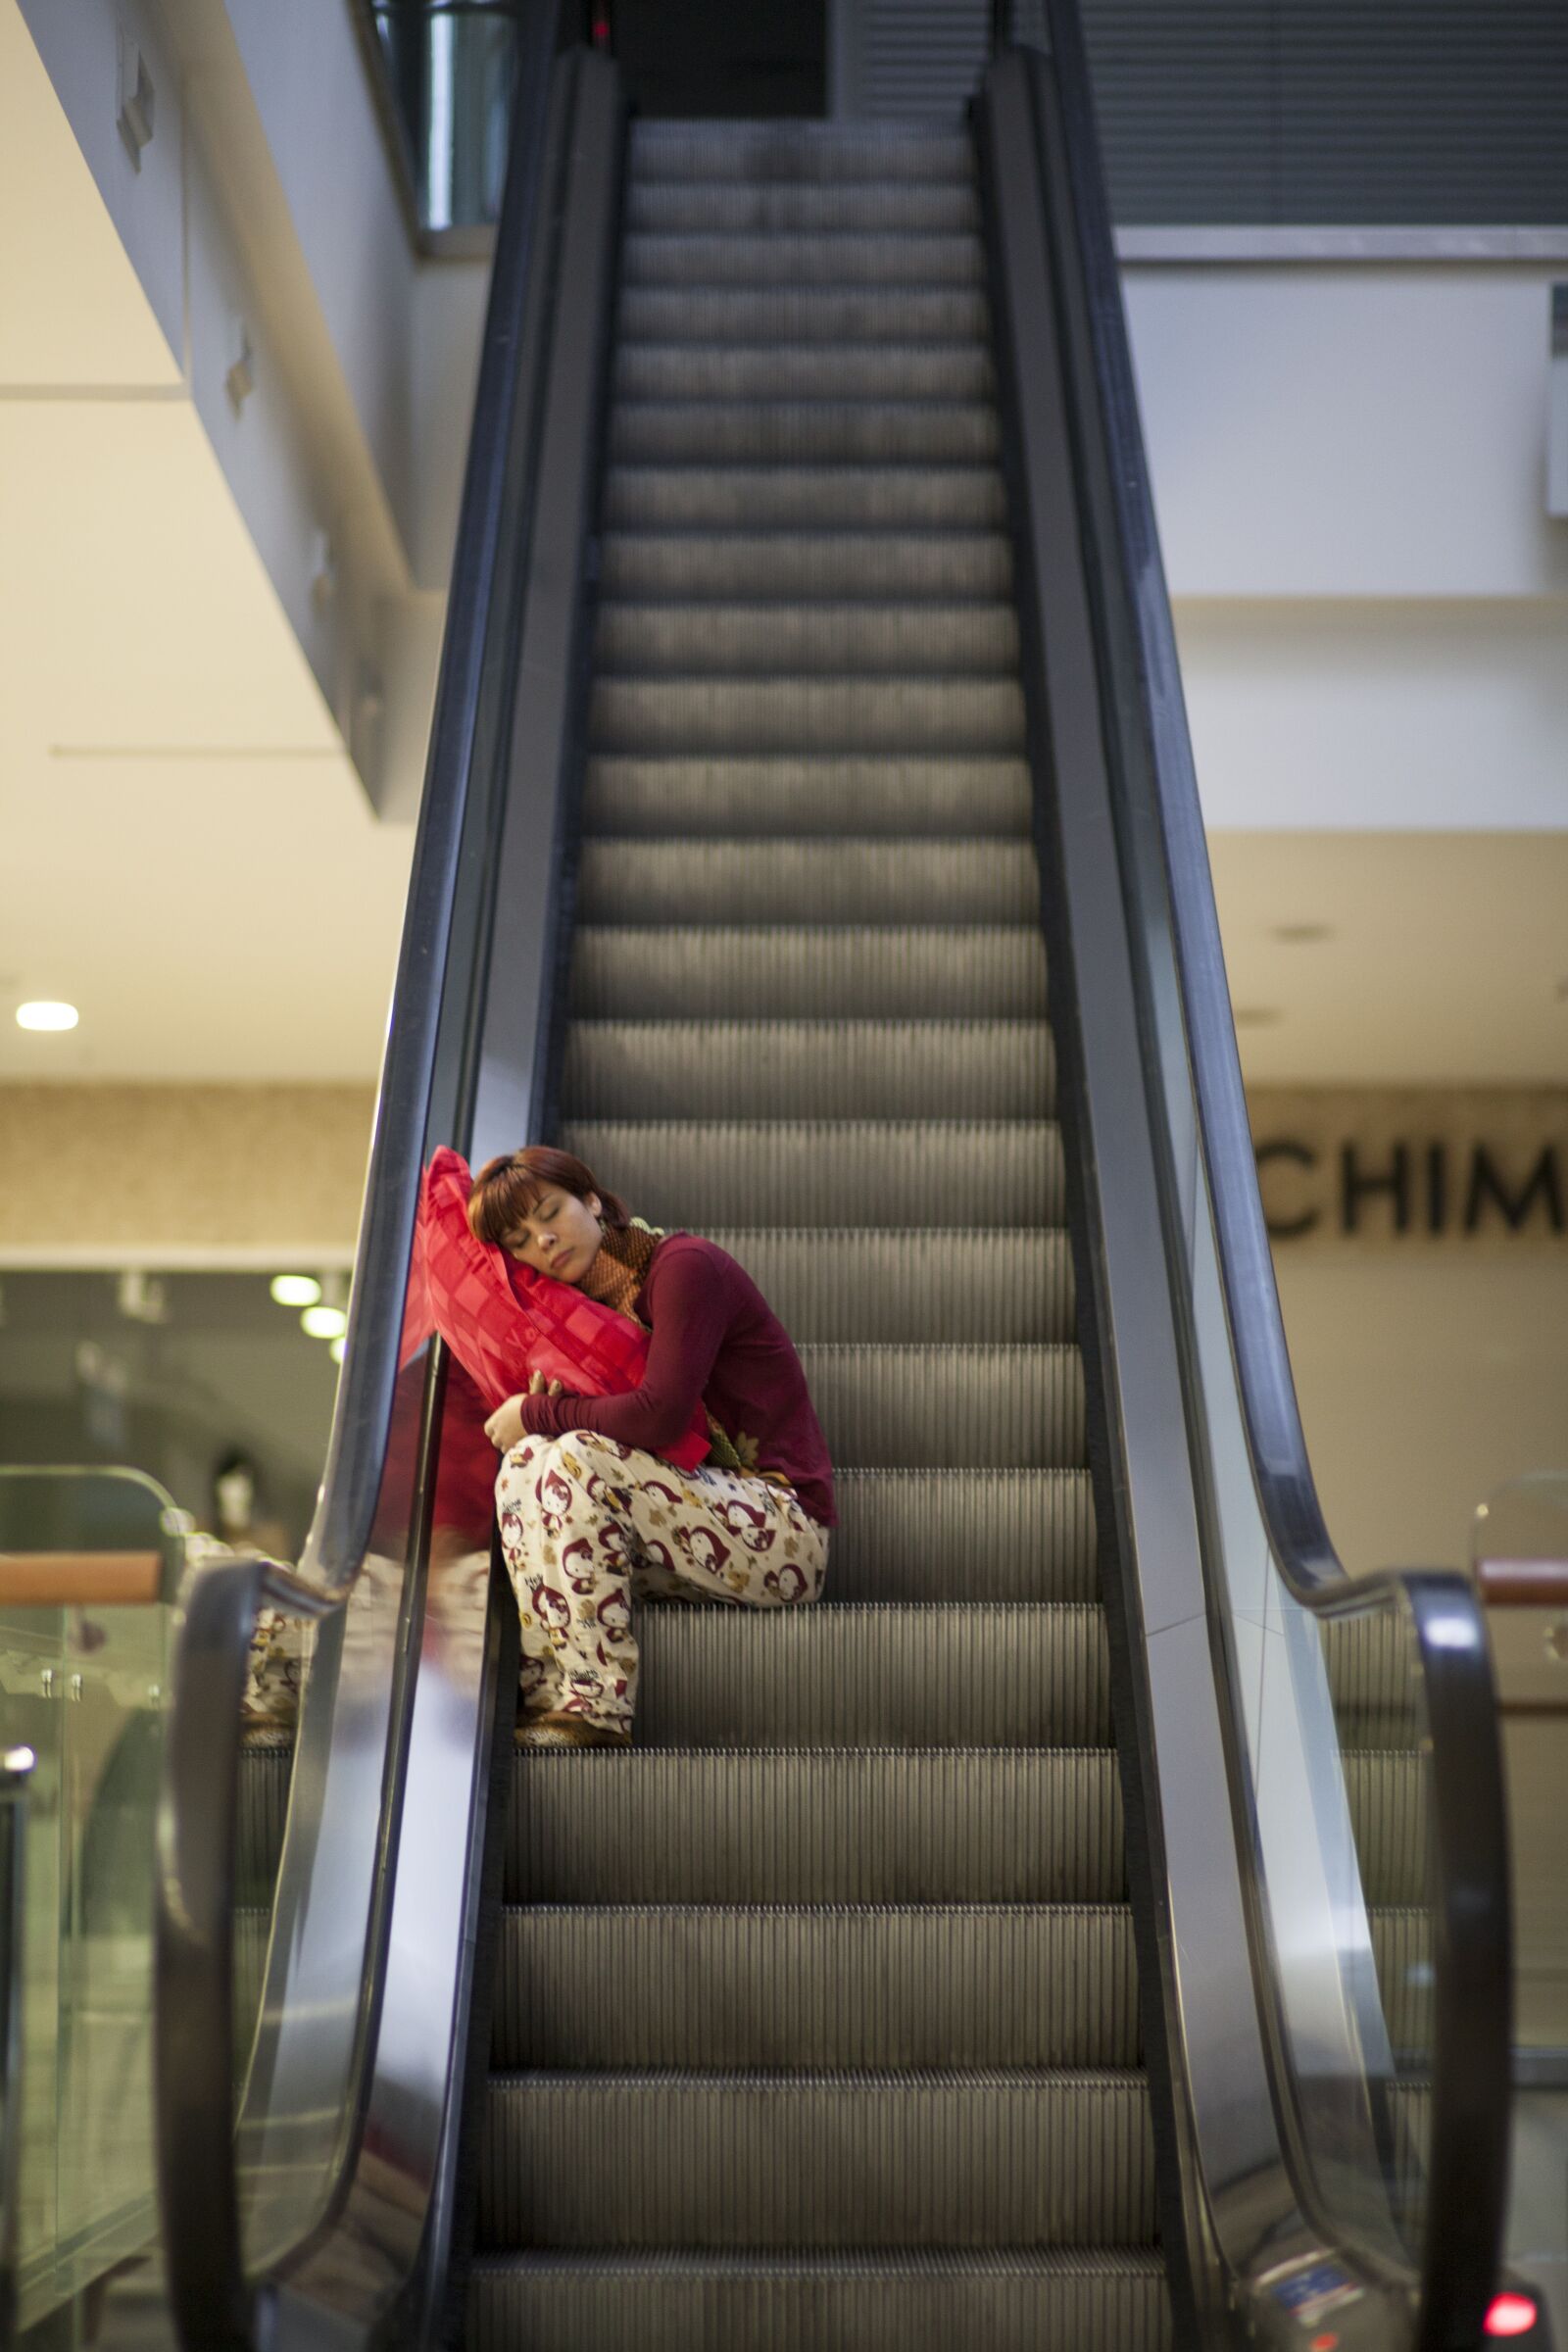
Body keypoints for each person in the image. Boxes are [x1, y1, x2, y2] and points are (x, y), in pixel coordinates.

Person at [457, 1145, 833, 1749]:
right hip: (692, 1537)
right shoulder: (584, 1320)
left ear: (593, 1201)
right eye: (520, 1240)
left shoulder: (683, 1268)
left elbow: (660, 1417)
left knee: (575, 1453)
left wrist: (535, 1411)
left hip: (782, 1533)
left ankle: (598, 1704)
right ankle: (548, 1688)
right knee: (527, 1462)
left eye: (551, 1213)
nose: (543, 1243)